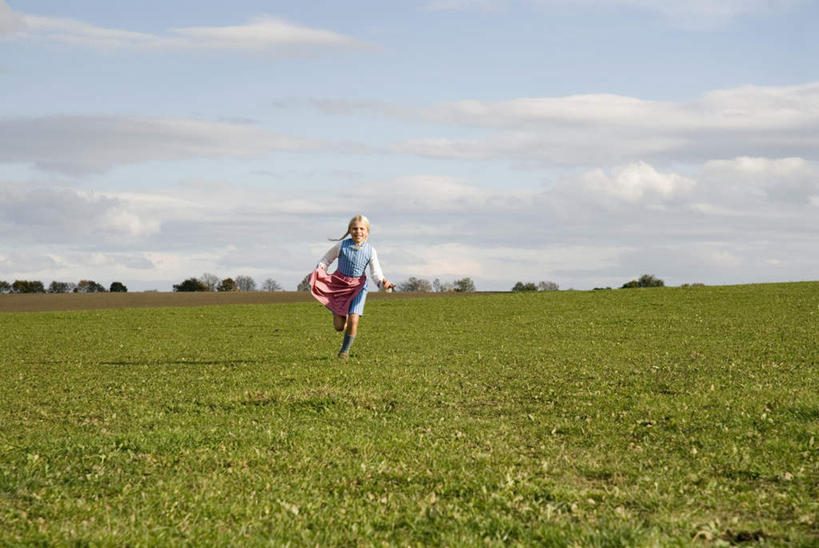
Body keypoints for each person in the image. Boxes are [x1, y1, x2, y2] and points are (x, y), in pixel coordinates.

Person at [309, 215, 395, 359]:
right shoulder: (341, 246)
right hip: (339, 286)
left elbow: (376, 273)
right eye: (355, 228)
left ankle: (344, 352)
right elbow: (326, 260)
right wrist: (320, 269)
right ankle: (341, 315)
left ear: (367, 231)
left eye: (362, 229)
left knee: (354, 320)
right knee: (339, 327)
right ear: (350, 230)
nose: (358, 232)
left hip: (358, 287)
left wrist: (383, 282)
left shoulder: (371, 251)